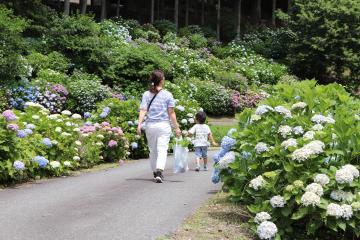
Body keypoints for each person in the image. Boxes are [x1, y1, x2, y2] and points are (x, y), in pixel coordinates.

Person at [137, 70, 181, 183]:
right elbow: (171, 113)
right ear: (161, 80)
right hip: (163, 125)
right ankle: (159, 171)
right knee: (162, 149)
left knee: (153, 150)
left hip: (150, 125)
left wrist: (139, 124)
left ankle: (155, 172)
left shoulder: (146, 94)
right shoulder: (168, 94)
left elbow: (143, 110)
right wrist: (176, 128)